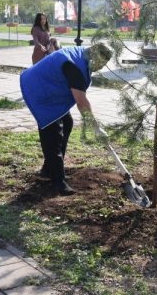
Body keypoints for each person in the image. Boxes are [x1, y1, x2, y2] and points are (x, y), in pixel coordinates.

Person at [19, 43, 113, 196]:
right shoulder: (74, 67)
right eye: (101, 62)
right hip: (38, 90)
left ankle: (49, 169)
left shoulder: (82, 54)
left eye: (105, 64)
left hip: (48, 85)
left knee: (67, 123)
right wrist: (96, 128)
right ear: (93, 55)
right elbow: (82, 103)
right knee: (53, 133)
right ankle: (57, 181)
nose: (101, 67)